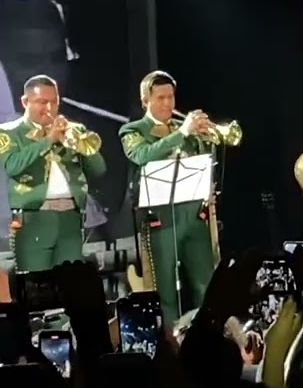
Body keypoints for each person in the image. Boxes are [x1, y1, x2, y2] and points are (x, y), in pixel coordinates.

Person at [119, 70, 218, 323]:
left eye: (170, 97)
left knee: (205, 285)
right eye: (160, 98)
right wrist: (183, 133)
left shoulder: (182, 127)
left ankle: (211, 336)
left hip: (194, 215)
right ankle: (170, 343)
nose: (167, 103)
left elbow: (205, 162)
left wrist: (209, 137)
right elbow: (142, 155)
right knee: (165, 291)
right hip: (159, 219)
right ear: (146, 101)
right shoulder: (132, 129)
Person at [0, 75, 105, 270]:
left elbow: (99, 170)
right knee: (37, 288)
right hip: (34, 219)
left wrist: (81, 145)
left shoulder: (74, 129)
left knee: (70, 284)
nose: (49, 108)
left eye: (54, 102)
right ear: (25, 102)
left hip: (70, 219)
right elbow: (13, 166)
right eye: (42, 102)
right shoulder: (9, 132)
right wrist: (48, 140)